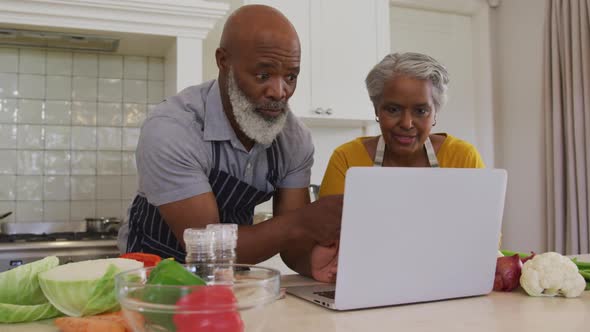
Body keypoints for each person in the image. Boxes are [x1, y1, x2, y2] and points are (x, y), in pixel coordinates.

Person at [119, 5, 341, 282]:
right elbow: (205, 247)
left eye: (291, 77)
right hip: (154, 281)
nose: (279, 92)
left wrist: (314, 262)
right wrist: (304, 222)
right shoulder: (173, 128)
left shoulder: (294, 140)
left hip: (231, 279)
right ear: (224, 61)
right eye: (263, 75)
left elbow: (292, 244)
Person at [319, 52, 485, 197]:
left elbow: (485, 230)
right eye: (393, 109)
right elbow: (326, 230)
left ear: (435, 113)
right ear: (377, 109)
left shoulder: (462, 158)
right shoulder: (347, 159)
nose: (407, 124)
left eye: (420, 111)